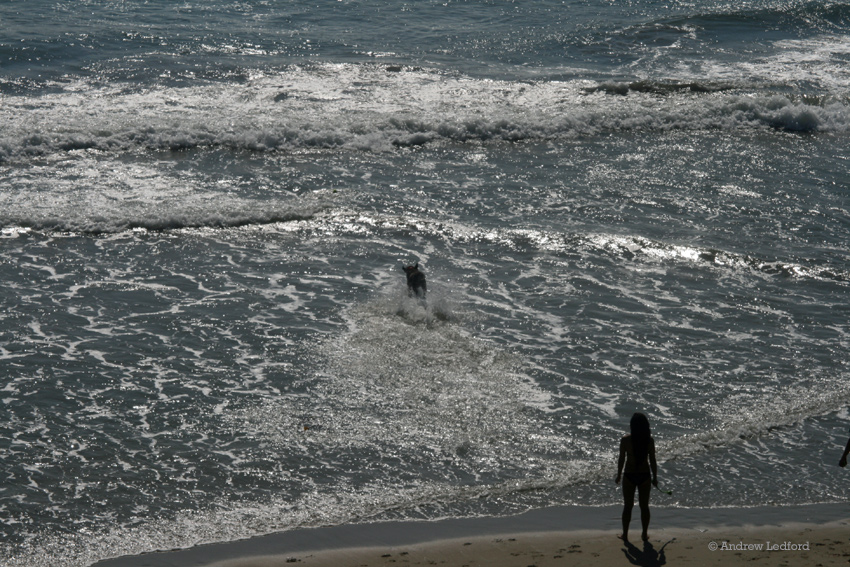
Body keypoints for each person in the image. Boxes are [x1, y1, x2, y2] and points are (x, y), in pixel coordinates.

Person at [615, 412, 658, 542]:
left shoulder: (625, 440)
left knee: (628, 506)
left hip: (629, 475)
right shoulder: (649, 441)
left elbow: (621, 459)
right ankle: (644, 534)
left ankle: (625, 535)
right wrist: (655, 477)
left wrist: (618, 475)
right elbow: (653, 460)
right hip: (644, 475)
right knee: (644, 506)